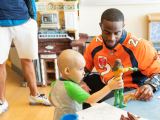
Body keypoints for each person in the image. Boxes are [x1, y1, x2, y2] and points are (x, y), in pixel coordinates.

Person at [83, 8, 160, 109]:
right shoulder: (94, 43)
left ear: (123, 27)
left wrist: (150, 86)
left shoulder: (141, 47)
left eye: (116, 33)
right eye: (106, 32)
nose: (111, 38)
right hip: (106, 83)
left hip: (128, 88)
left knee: (107, 102)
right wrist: (79, 82)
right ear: (100, 26)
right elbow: (83, 69)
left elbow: (158, 73)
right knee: (75, 87)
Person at [0, 0, 51, 115]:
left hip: (24, 20)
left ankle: (34, 95)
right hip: (1, 23)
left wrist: (33, 19)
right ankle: (2, 102)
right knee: (0, 64)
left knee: (28, 59)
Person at [49, 49, 123, 120]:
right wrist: (109, 87)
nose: (83, 72)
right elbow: (91, 99)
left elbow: (51, 99)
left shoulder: (54, 83)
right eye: (80, 69)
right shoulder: (71, 86)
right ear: (67, 71)